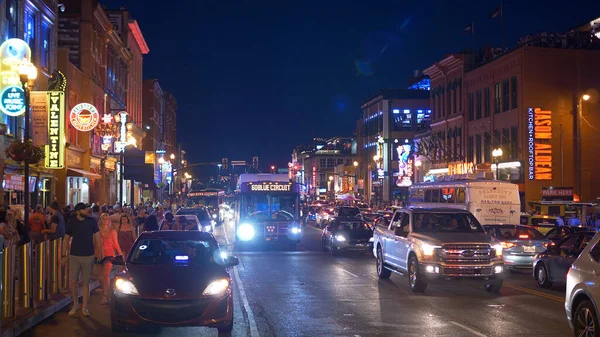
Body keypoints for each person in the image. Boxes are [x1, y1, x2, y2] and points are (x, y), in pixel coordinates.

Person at [62, 203, 101, 317]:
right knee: (73, 282)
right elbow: (66, 239)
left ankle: (85, 307)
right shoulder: (72, 222)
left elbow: (97, 237)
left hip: (88, 255)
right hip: (74, 255)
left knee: (85, 283)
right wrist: (63, 255)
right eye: (84, 209)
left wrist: (99, 251)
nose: (86, 210)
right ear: (78, 211)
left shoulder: (92, 221)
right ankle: (75, 304)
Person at [98, 214, 123, 305]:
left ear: (109, 221)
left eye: (107, 219)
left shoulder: (112, 231)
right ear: (101, 220)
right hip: (99, 254)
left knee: (105, 274)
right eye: (103, 219)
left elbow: (116, 244)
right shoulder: (97, 231)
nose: (105, 220)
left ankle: (105, 295)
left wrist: (120, 255)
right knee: (100, 277)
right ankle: (106, 290)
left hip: (109, 254)